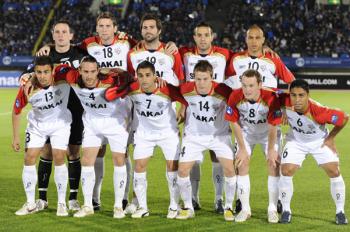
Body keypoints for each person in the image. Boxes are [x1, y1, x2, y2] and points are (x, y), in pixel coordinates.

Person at [48, 56, 131, 218]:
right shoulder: (72, 77)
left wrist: (116, 70)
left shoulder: (110, 79)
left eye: (93, 71)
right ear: (79, 71)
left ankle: (118, 206)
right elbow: (55, 67)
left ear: (98, 71)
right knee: (86, 161)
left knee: (119, 160)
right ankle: (87, 205)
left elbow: (131, 78)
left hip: (115, 122)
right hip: (92, 123)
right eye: (85, 71)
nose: (89, 76)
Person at [105, 60, 187, 219]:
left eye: (148, 75)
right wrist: (125, 79)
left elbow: (186, 98)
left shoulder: (166, 88)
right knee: (139, 167)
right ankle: (142, 207)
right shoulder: (134, 88)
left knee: (172, 167)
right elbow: (110, 95)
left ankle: (174, 205)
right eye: (140, 76)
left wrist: (183, 110)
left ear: (155, 76)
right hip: (144, 134)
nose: (144, 80)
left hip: (167, 133)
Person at [21, 20, 87, 212]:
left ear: (71, 35)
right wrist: (27, 79)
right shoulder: (45, 55)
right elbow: (26, 75)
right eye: (57, 32)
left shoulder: (80, 54)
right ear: (52, 35)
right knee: (47, 153)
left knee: (73, 153)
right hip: (50, 113)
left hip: (75, 109)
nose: (60, 35)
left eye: (64, 32)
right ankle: (42, 199)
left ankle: (73, 198)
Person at [278, 79, 349, 225]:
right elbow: (269, 95)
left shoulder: (319, 111)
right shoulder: (284, 99)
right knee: (286, 170)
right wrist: (282, 109)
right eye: (293, 95)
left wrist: (330, 138)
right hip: (296, 141)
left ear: (308, 95)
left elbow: (344, 117)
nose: (297, 100)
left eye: (301, 95)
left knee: (334, 171)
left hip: (319, 142)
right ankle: (286, 210)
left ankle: (340, 212)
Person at [179, 22, 232, 213]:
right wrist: (183, 106)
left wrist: (265, 51)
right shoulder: (183, 53)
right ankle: (193, 198)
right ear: (194, 37)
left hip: (216, 113)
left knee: (217, 158)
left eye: (206, 35)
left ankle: (219, 199)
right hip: (194, 112)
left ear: (212, 36)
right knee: (193, 159)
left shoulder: (225, 54)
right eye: (199, 35)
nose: (202, 38)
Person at [176, 60, 236, 221]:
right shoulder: (186, 89)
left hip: (219, 136)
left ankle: (228, 206)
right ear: (193, 77)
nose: (201, 83)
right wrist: (181, 109)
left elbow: (238, 102)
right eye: (198, 79)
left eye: (205, 79)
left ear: (212, 77)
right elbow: (170, 92)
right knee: (182, 171)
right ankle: (188, 206)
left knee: (230, 170)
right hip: (193, 136)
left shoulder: (223, 90)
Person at [12, 56, 71, 216]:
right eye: (39, 72)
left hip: (60, 124)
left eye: (46, 72)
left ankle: (61, 203)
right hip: (37, 125)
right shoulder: (28, 88)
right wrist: (16, 137)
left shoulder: (62, 75)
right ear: (35, 72)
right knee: (29, 157)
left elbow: (75, 67)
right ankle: (30, 203)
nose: (43, 76)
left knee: (59, 156)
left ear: (52, 70)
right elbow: (16, 110)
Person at [224, 69, 283, 223]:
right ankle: (245, 209)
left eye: (251, 86)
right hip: (246, 134)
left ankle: (272, 208)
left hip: (268, 135)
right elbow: (233, 121)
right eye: (244, 85)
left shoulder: (271, 98)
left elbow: (273, 126)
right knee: (241, 165)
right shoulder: (235, 95)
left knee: (273, 165)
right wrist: (242, 149)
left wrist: (271, 150)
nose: (247, 90)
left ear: (260, 85)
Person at [225, 24, 294, 89]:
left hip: (266, 101)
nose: (254, 41)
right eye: (250, 38)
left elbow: (292, 81)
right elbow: (226, 77)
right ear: (246, 39)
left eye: (257, 38)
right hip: (242, 101)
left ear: (263, 40)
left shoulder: (273, 58)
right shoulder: (237, 58)